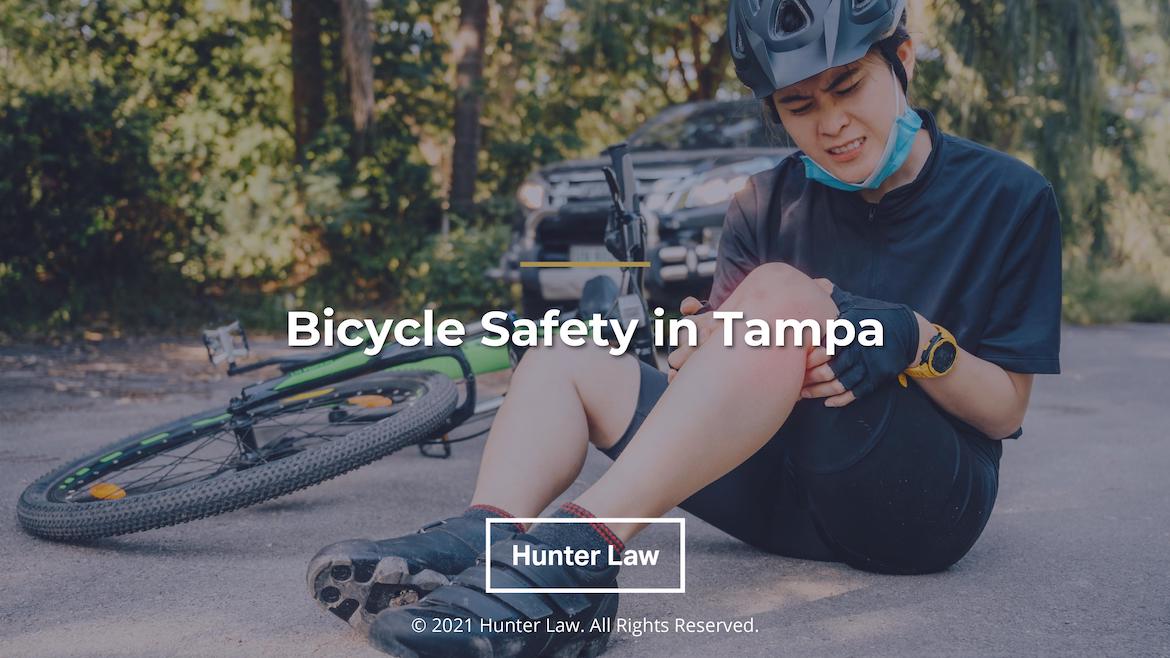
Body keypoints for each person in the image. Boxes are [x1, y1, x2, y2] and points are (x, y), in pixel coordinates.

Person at [306, 1, 1062, 655]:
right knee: (566, 351)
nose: (831, 124)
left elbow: (1005, 408)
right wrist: (696, 353)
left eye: (848, 85)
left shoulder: (1008, 196)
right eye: (799, 105)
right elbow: (723, 381)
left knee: (778, 291)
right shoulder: (761, 204)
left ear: (901, 59)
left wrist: (916, 339)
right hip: (781, 496)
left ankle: (574, 558)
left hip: (919, 510)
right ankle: (492, 540)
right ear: (775, 111)